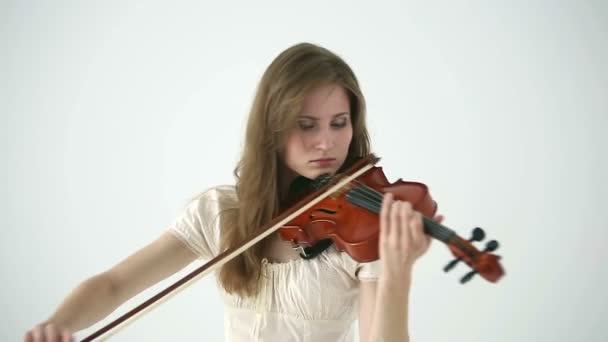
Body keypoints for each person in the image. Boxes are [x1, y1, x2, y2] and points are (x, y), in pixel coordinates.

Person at [24, 42, 443, 342]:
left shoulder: (360, 237)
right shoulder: (219, 213)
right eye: (306, 124)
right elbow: (114, 285)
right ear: (272, 126)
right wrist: (56, 326)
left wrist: (397, 274)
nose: (326, 143)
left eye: (339, 123)